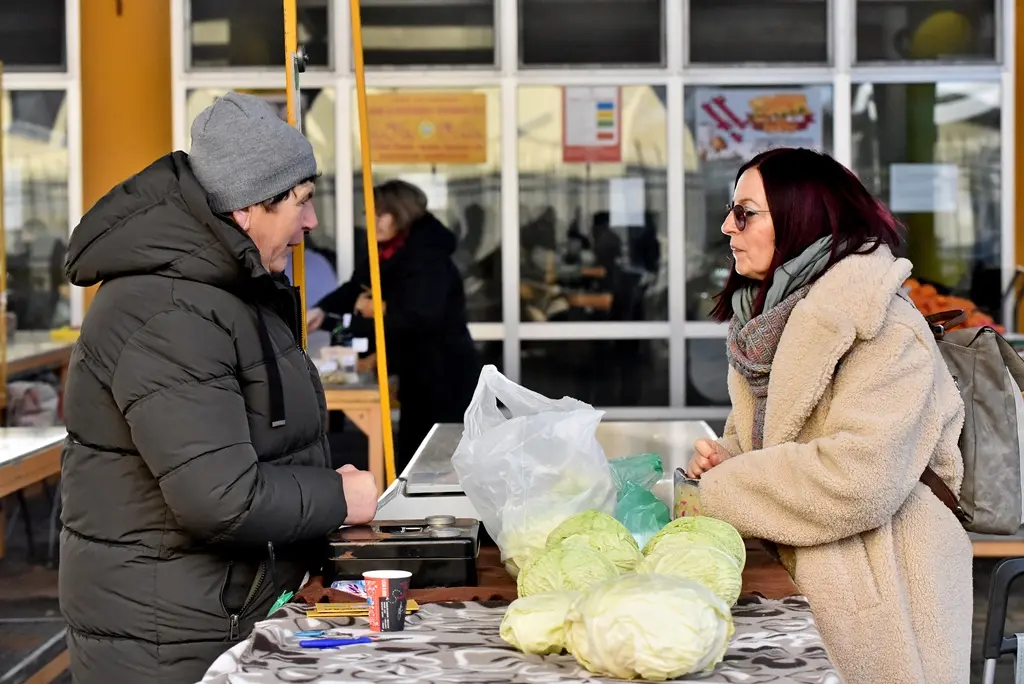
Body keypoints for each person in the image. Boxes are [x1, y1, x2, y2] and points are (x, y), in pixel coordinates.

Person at [59, 92, 379, 684]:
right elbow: (219, 498)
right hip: (172, 638)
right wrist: (340, 500)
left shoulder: (222, 289)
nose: (311, 223)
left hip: (214, 611)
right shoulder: (170, 311)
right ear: (244, 210)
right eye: (301, 203)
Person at [686, 147, 970, 684]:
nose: (727, 226)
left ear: (801, 218)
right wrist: (727, 458)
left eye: (745, 212)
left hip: (886, 583)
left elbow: (861, 478)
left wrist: (722, 489)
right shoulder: (767, 323)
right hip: (809, 580)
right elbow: (772, 444)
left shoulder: (884, 328)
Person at [308, 180, 480, 472]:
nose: (372, 221)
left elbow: (422, 316)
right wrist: (322, 310)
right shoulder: (386, 250)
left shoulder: (427, 256)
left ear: (402, 213)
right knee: (414, 451)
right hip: (416, 371)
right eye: (369, 213)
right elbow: (355, 287)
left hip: (443, 373)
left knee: (438, 458)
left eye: (380, 214)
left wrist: (374, 310)